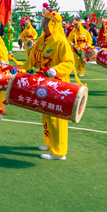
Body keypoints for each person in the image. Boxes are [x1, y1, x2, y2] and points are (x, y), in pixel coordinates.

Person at [22, 10, 76, 160]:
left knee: (57, 118)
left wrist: (56, 70)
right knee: (46, 115)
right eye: (43, 23)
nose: (43, 26)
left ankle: (58, 152)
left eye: (46, 23)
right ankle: (49, 142)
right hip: (44, 83)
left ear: (53, 24)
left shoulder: (61, 41)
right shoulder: (42, 40)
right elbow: (31, 60)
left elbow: (69, 62)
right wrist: (20, 72)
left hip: (58, 86)